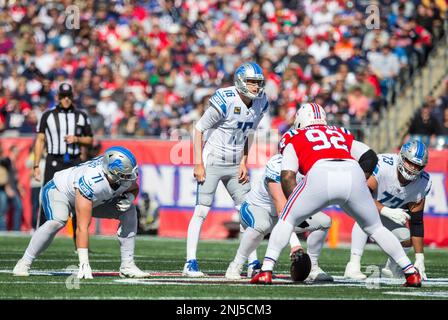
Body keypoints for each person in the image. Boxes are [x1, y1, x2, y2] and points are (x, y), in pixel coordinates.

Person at [250, 103, 422, 287]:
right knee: (376, 228)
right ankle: (411, 273)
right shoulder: (339, 132)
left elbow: (287, 175)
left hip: (320, 172)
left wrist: (295, 206)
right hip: (352, 171)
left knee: (286, 219)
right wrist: (358, 182)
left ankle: (266, 270)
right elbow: (370, 157)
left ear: (300, 120)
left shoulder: (293, 137)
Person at [183, 62, 269, 277]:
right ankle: (190, 262)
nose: (256, 87)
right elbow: (199, 128)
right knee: (201, 211)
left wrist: (244, 161)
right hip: (212, 160)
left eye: (258, 83)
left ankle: (252, 263)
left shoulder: (261, 103)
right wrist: (198, 163)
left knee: (247, 213)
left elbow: (249, 133)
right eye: (251, 82)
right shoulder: (226, 99)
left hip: (235, 163)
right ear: (240, 80)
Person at [12, 146, 149, 279]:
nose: (129, 177)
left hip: (91, 198)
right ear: (112, 172)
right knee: (57, 221)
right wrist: (84, 263)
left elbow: (133, 187)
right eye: (124, 174)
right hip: (60, 190)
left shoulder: (121, 176)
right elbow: (82, 227)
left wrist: (130, 198)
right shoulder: (92, 180)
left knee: (129, 211)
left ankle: (127, 266)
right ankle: (24, 262)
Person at [225, 120, 333, 282]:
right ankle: (236, 264)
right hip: (259, 210)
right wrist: (295, 244)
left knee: (324, 221)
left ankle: (313, 266)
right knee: (261, 225)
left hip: (284, 215)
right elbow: (283, 209)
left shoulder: (310, 165)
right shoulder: (277, 164)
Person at [344, 140, 431, 280]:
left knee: (407, 238)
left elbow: (417, 222)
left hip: (389, 215)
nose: (413, 168)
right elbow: (360, 196)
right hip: (368, 208)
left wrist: (419, 258)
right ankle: (353, 264)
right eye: (410, 163)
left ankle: (391, 268)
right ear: (402, 157)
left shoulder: (423, 182)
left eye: (417, 165)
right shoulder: (384, 165)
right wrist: (385, 210)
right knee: (365, 216)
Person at [33, 83, 93, 246]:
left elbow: (90, 139)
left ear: (72, 97)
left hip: (74, 162)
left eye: (69, 96)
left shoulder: (81, 115)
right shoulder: (47, 116)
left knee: (78, 202)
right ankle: (39, 240)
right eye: (63, 96)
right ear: (58, 97)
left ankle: (78, 242)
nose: (66, 99)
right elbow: (40, 140)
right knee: (46, 198)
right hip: (54, 161)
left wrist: (77, 139)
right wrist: (36, 165)